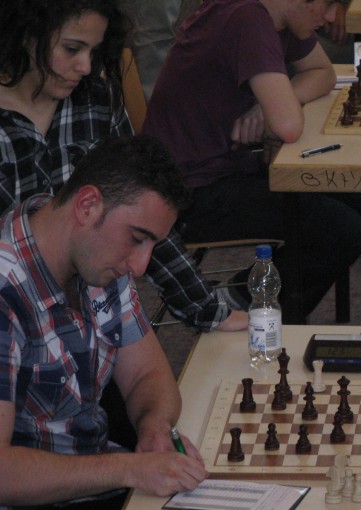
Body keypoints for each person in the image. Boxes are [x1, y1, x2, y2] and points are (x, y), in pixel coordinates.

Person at [0, 135, 208, 510]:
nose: (141, 265)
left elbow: (147, 373)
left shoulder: (95, 257)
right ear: (87, 205)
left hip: (87, 487)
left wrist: (154, 426)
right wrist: (129, 468)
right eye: (137, 238)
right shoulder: (6, 291)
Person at [0, 0, 247, 333]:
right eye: (72, 49)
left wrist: (205, 308)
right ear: (25, 34)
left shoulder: (95, 100)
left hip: (93, 306)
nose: (86, 66)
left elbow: (143, 208)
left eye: (94, 51)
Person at [144, 0, 361, 320]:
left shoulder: (280, 15)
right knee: (339, 229)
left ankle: (248, 298)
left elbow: (323, 73)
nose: (330, 18)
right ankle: (244, 309)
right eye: (326, 4)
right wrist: (276, 111)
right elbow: (289, 126)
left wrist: (273, 104)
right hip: (187, 191)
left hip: (226, 163)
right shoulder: (248, 19)